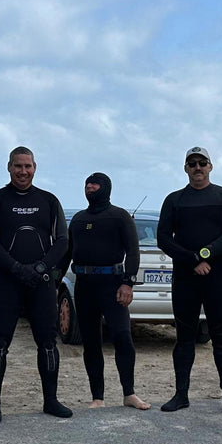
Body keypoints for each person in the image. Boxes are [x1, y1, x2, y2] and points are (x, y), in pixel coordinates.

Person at [0, 146, 72, 424]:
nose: (23, 171)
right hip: (7, 283)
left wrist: (41, 268)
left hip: (40, 283)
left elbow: (62, 241)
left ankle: (51, 400)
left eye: (27, 166)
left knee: (48, 342)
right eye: (18, 166)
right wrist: (16, 268)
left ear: (35, 167)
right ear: (9, 167)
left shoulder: (49, 201)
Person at [156, 146, 222, 417]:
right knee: (184, 338)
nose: (197, 167)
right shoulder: (174, 200)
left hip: (218, 278)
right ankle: (181, 394)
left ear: (210, 166)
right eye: (192, 163)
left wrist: (206, 254)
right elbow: (163, 238)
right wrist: (193, 259)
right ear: (185, 168)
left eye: (202, 163)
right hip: (186, 277)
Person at [66, 172, 150, 411]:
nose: (90, 187)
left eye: (95, 184)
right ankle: (97, 397)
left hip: (113, 285)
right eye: (87, 184)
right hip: (84, 286)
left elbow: (133, 252)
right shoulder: (78, 219)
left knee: (122, 336)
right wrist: (52, 280)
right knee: (91, 341)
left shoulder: (119, 216)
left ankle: (129, 394)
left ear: (106, 188)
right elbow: (67, 252)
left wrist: (128, 283)